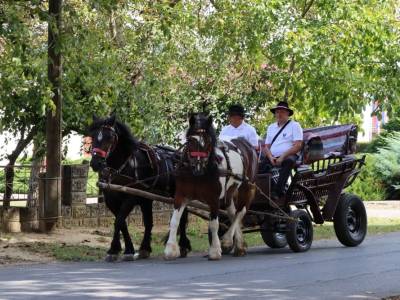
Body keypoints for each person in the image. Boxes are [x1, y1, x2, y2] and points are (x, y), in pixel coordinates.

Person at [260, 101, 303, 201]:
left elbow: (298, 146)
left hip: (289, 154)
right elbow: (266, 147)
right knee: (260, 168)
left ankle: (278, 192)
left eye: (282, 112)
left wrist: (283, 156)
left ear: (288, 113)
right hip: (273, 155)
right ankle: (263, 192)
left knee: (288, 162)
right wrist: (270, 157)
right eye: (277, 112)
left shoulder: (295, 125)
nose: (279, 114)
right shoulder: (271, 127)